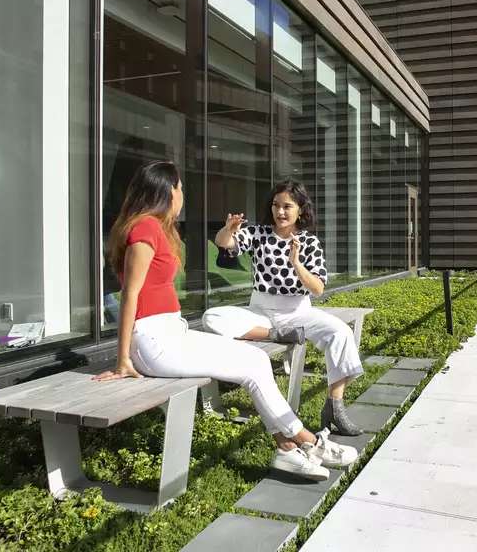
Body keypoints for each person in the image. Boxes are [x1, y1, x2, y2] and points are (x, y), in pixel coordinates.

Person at [93, 161, 356, 481]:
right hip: (153, 342)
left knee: (256, 360)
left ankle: (287, 449)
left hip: (171, 332)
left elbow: (317, 285)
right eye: (179, 188)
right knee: (251, 366)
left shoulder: (157, 228)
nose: (182, 194)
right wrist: (123, 360)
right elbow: (130, 296)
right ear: (166, 191)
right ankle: (307, 441)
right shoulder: (146, 228)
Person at [202, 179, 364, 436]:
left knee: (341, 333)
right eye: (276, 205)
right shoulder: (258, 234)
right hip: (261, 313)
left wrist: (296, 263)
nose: (280, 212)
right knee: (212, 316)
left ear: (300, 209)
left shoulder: (309, 243)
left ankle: (335, 406)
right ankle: (274, 336)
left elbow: (318, 288)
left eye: (287, 206)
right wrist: (228, 230)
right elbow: (225, 244)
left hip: (299, 312)